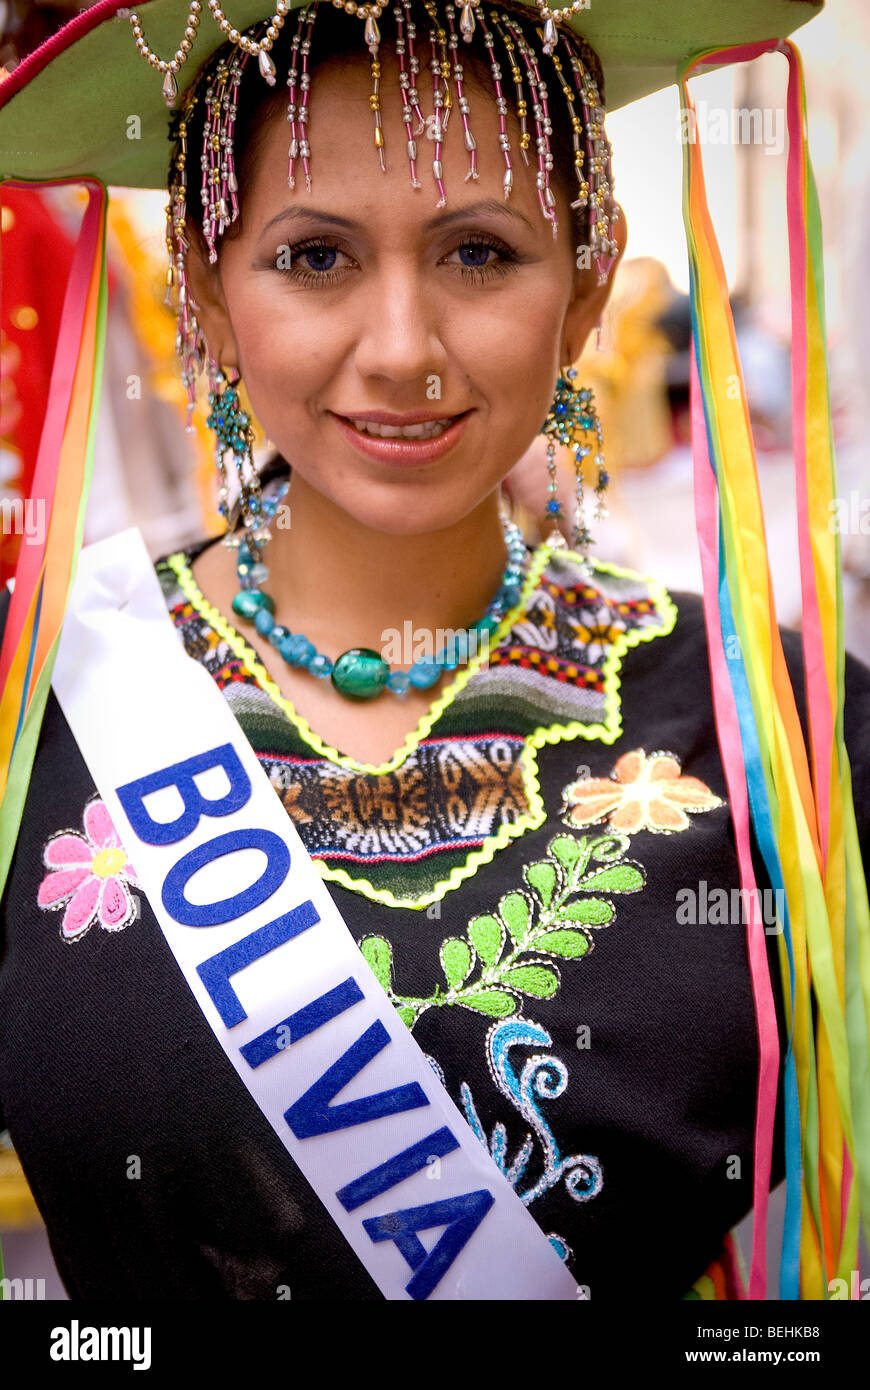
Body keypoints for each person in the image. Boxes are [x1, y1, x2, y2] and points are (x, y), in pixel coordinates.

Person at [0, 0, 867, 1303]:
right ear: (206, 283)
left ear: (584, 281)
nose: (402, 349)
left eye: (477, 251)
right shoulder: (27, 722)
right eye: (311, 257)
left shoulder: (786, 727)